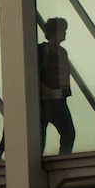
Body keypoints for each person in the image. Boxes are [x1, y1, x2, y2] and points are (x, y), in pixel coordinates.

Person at [37, 18, 76, 155]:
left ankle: (63, 160)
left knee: (69, 133)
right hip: (45, 100)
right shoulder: (42, 50)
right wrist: (43, 88)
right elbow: (31, 73)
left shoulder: (63, 52)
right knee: (40, 136)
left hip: (59, 99)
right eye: (62, 30)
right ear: (53, 32)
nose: (65, 33)